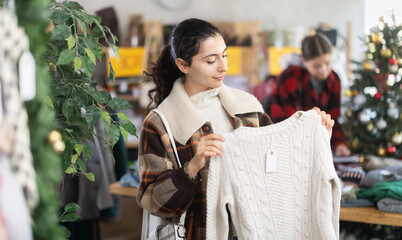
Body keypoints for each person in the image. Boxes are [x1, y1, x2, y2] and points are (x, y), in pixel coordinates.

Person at [136, 18, 335, 240]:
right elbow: (152, 201)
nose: (224, 66)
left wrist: (317, 140)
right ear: (183, 65)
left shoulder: (248, 108)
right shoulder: (161, 123)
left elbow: (278, 171)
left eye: (224, 55)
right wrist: (191, 168)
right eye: (211, 60)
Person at [265, 33, 351, 156]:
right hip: (289, 145)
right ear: (304, 61)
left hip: (317, 144)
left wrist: (339, 144)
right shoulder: (289, 78)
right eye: (316, 66)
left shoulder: (334, 79)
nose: (323, 70)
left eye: (327, 63)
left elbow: (334, 117)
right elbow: (283, 123)